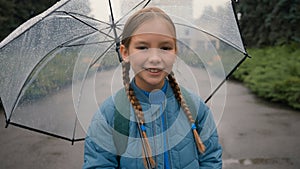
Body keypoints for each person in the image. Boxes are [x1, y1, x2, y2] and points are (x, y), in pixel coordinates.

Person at [83, 7, 222, 169]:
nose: (155, 58)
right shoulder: (110, 115)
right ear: (125, 52)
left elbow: (211, 160)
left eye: (165, 48)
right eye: (142, 47)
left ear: (175, 52)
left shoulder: (196, 109)